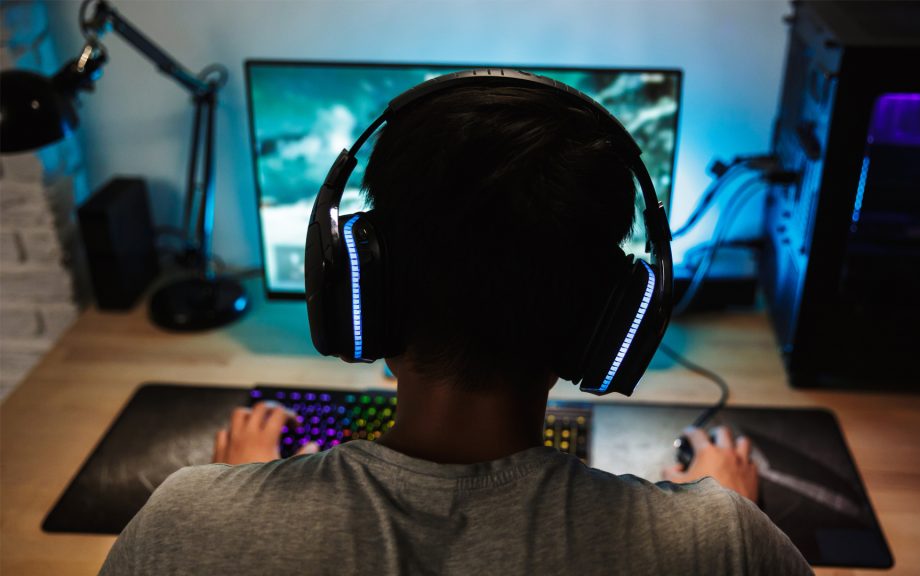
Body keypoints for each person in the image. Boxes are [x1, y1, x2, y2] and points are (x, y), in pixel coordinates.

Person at [100, 81, 812, 575]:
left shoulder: (185, 523)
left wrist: (241, 505)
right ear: (610, 320)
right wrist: (731, 522)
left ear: (361, 291)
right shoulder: (720, 545)